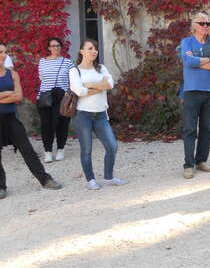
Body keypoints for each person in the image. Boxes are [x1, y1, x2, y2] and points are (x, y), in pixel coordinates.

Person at [0, 43, 62, 199]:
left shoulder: (12, 74)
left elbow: (18, 97)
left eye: (5, 52)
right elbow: (13, 95)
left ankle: (45, 179)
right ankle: (1, 187)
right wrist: (8, 93)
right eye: (1, 52)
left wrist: (8, 95)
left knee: (27, 150)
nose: (4, 55)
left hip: (11, 119)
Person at [70, 39, 126, 190]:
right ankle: (90, 180)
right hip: (84, 116)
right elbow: (79, 91)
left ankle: (109, 176)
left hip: (101, 114)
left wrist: (89, 85)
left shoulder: (101, 68)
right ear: (82, 52)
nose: (94, 51)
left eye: (95, 48)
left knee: (112, 146)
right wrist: (99, 87)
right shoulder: (75, 71)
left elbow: (110, 85)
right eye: (90, 48)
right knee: (86, 149)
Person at [179, 12, 210, 179]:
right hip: (191, 91)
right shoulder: (186, 42)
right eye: (201, 23)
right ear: (194, 26)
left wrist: (199, 60)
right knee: (190, 129)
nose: (205, 26)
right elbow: (188, 62)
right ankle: (188, 164)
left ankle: (201, 160)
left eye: (207, 23)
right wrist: (208, 60)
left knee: (207, 129)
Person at [37, 37, 74, 162]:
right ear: (48, 48)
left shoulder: (67, 62)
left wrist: (68, 96)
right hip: (45, 97)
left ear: (61, 47)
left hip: (62, 98)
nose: (55, 48)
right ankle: (47, 151)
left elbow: (72, 80)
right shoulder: (42, 62)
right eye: (53, 46)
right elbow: (42, 78)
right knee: (46, 125)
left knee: (62, 124)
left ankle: (61, 149)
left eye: (58, 45)